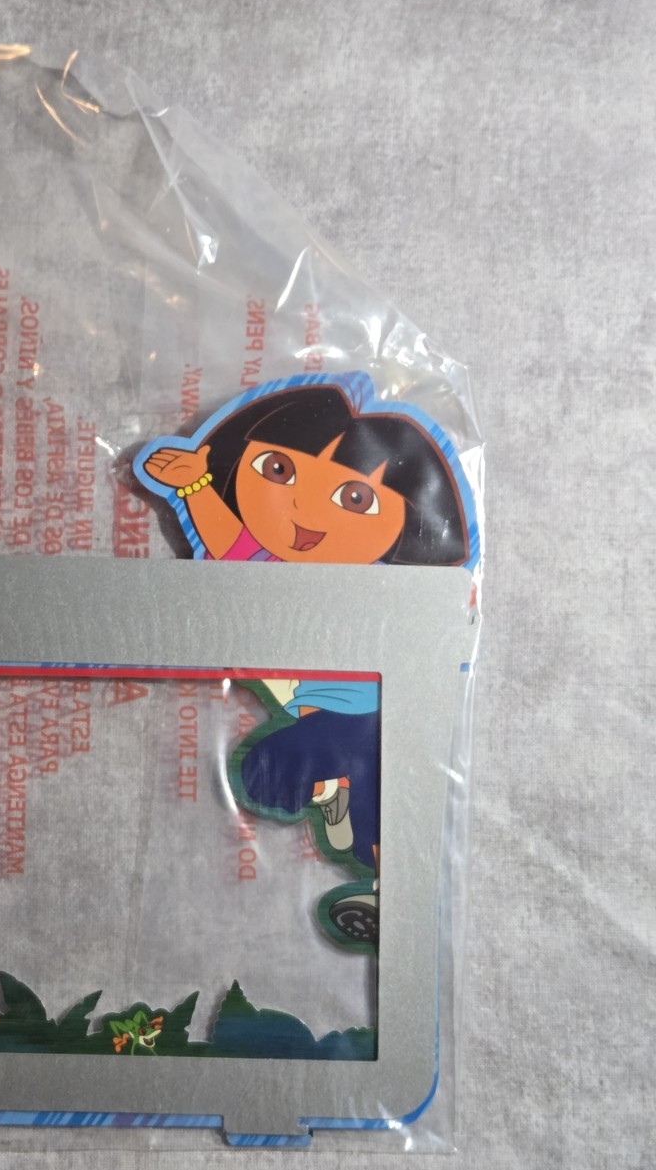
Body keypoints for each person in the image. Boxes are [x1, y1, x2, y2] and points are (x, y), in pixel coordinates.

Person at [137, 374, 475, 950]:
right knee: (339, 796)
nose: (302, 507)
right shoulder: (273, 572)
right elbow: (227, 546)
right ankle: (353, 832)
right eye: (278, 471)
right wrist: (194, 486)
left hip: (373, 714)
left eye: (356, 499)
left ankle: (346, 825)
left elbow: (434, 637)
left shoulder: (386, 587)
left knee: (266, 774)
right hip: (326, 717)